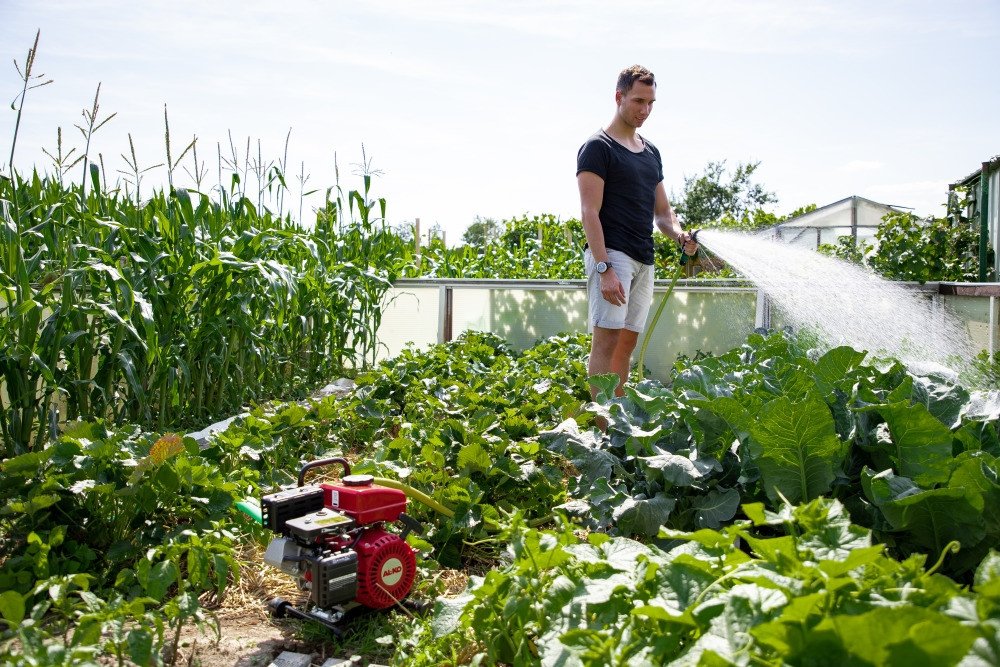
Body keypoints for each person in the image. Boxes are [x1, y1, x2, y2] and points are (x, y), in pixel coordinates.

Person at [577, 64, 697, 404]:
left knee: (627, 342)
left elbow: (662, 213)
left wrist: (679, 236)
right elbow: (589, 212)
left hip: (644, 258)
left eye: (651, 103)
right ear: (619, 97)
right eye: (638, 101)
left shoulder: (651, 152)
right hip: (612, 255)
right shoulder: (597, 147)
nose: (645, 110)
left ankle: (619, 420)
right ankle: (602, 425)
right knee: (606, 341)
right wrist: (604, 268)